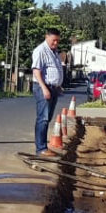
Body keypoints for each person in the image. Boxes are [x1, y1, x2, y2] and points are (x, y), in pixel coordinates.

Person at [32, 28, 64, 157]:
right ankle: (41, 149)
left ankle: (43, 147)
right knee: (43, 118)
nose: (55, 43)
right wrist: (44, 88)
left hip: (53, 88)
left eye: (57, 41)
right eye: (53, 40)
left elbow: (54, 70)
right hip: (43, 88)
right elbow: (36, 71)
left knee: (48, 117)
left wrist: (58, 85)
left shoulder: (54, 52)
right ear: (47, 37)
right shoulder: (40, 50)